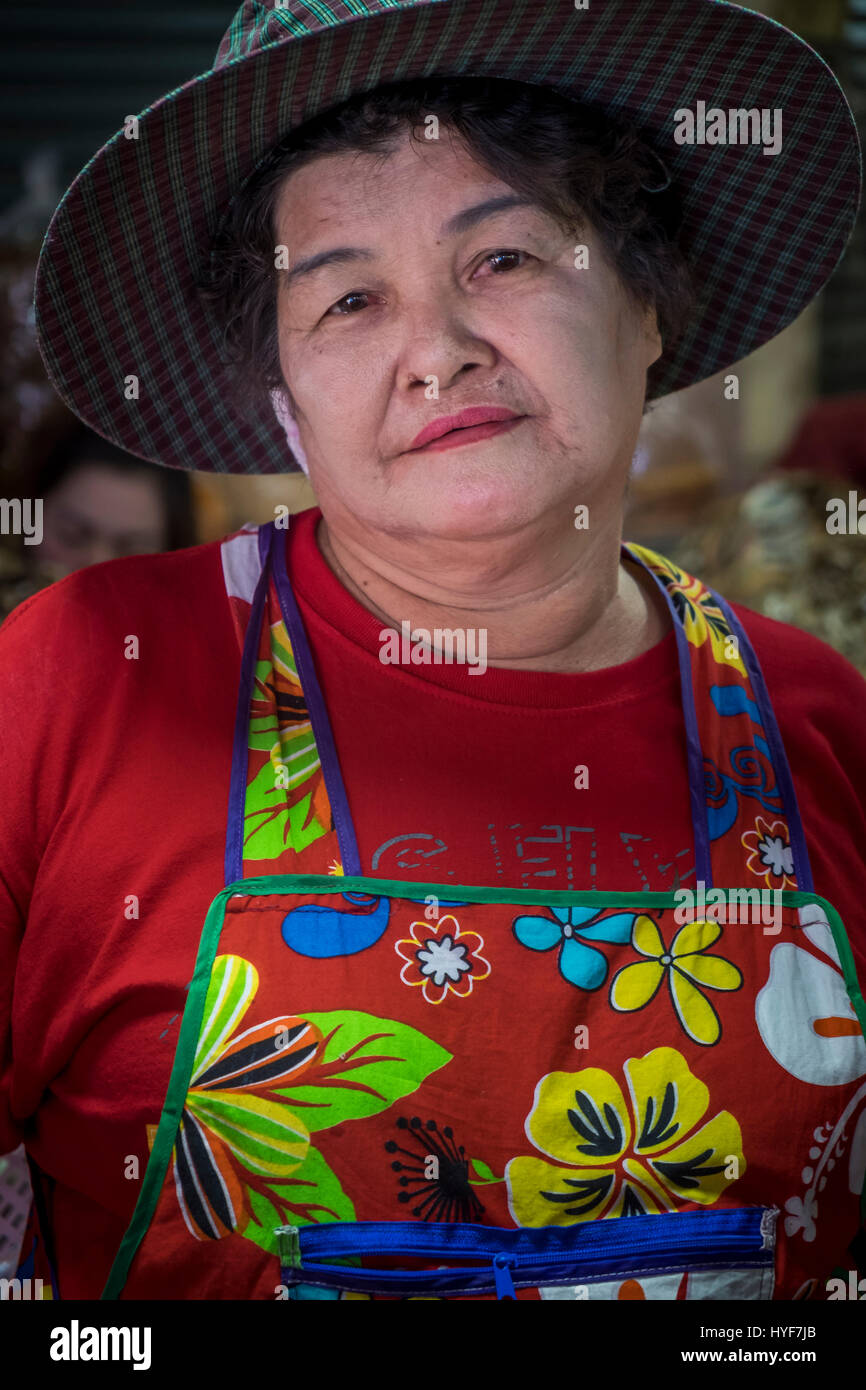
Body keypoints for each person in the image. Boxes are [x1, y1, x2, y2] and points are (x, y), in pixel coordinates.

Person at [2, 0, 865, 1303]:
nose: (437, 352)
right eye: (348, 296)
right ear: (285, 405)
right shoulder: (88, 677)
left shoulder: (820, 719)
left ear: (646, 307)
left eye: (507, 259)